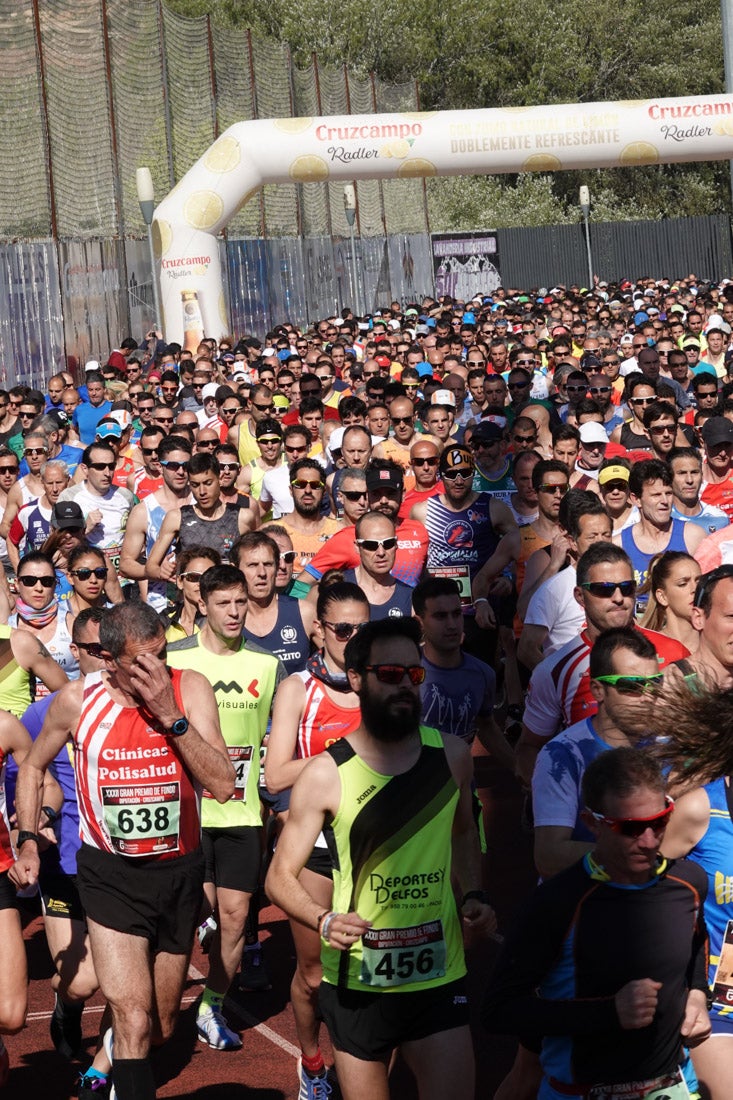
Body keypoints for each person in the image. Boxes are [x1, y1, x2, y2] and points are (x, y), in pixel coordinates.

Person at [266, 617, 496, 1100]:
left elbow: (460, 833)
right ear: (357, 679)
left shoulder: (452, 756)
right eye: (389, 675)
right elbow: (279, 878)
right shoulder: (326, 774)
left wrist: (472, 892)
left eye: (413, 675)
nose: (404, 686)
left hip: (438, 972)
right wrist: (323, 919)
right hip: (359, 980)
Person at [13, 601, 235, 1100]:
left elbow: (222, 784)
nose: (155, 670)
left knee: (159, 1027)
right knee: (132, 1019)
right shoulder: (75, 701)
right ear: (109, 659)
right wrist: (28, 838)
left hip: (177, 871)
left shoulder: (189, 687)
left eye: (160, 655)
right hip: (109, 875)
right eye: (141, 662)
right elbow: (31, 768)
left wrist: (172, 716)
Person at [483, 748, 710, 1100]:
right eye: (630, 828)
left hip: (673, 1085)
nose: (649, 841)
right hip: (582, 1091)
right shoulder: (557, 903)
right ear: (593, 823)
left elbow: (697, 947)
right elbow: (499, 1012)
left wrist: (697, 994)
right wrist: (607, 1012)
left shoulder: (689, 883)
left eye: (660, 821)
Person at [167, 564, 285, 1049]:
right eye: (224, 604)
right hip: (187, 813)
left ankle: (210, 1006)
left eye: (241, 603)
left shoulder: (267, 664)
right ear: (203, 606)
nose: (236, 612)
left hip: (240, 811)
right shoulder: (174, 658)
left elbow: (281, 732)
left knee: (236, 917)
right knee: (198, 912)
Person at [264, 579, 368, 1097]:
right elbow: (276, 775)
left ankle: (367, 1066)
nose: (353, 638)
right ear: (320, 631)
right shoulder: (297, 689)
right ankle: (310, 1062)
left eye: (363, 629)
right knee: (313, 975)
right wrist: (344, 754)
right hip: (316, 847)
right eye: (344, 629)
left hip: (374, 844)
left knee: (374, 966)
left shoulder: (385, 684)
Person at [517, 542, 689, 787]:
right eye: (603, 589)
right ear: (580, 596)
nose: (618, 598)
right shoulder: (554, 670)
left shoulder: (675, 653)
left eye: (626, 588)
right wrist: (550, 797)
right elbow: (529, 747)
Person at [532, 627, 663, 879]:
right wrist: (637, 853)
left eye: (654, 684)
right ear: (597, 690)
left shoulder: (668, 745)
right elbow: (549, 856)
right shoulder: (561, 755)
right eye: (631, 686)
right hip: (584, 904)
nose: (647, 697)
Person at [146, 452, 256, 580]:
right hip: (191, 594)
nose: (202, 492)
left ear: (219, 479)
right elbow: (151, 566)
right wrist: (163, 572)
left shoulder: (243, 517)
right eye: (195, 485)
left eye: (208, 483)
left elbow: (256, 558)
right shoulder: (177, 517)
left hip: (227, 593)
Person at [235, 531, 315, 670]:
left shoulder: (304, 612)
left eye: (268, 564)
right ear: (235, 569)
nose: (262, 573)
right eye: (252, 565)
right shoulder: (225, 618)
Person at [341, 511, 413, 619]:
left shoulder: (410, 597)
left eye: (388, 543)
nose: (381, 552)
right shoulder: (338, 586)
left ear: (396, 544)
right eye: (371, 545)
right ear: (357, 547)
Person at [639, 551, 701, 653]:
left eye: (699, 581)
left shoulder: (716, 641)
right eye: (683, 584)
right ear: (662, 597)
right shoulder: (647, 649)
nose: (695, 589)